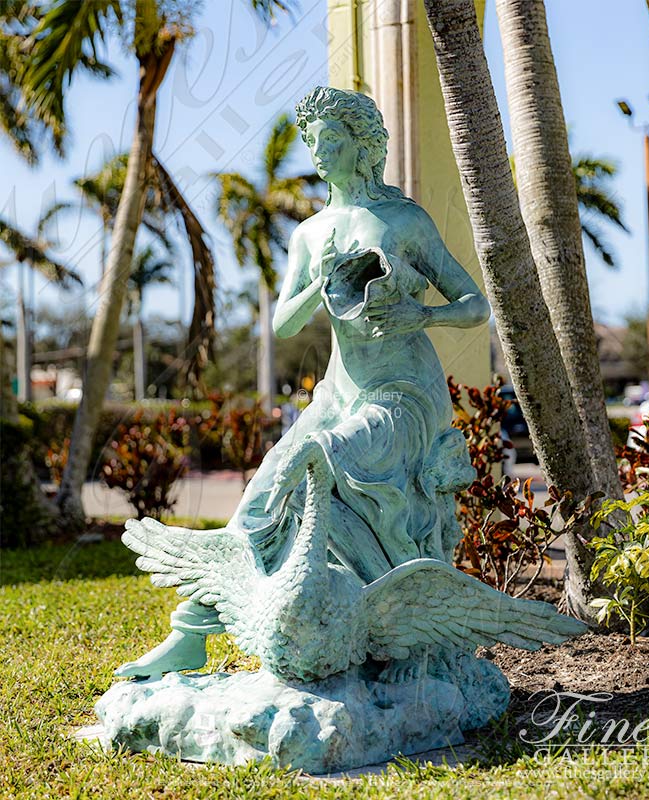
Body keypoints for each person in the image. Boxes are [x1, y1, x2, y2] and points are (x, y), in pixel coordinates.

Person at [116, 86, 490, 678]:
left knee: (323, 456)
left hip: (404, 395)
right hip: (341, 393)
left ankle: (396, 638)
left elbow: (474, 304)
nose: (318, 153)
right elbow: (283, 323)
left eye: (330, 140)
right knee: (263, 495)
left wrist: (424, 315)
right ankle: (191, 632)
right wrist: (322, 283)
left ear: (364, 148)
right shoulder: (310, 234)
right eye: (313, 143)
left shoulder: (404, 220)